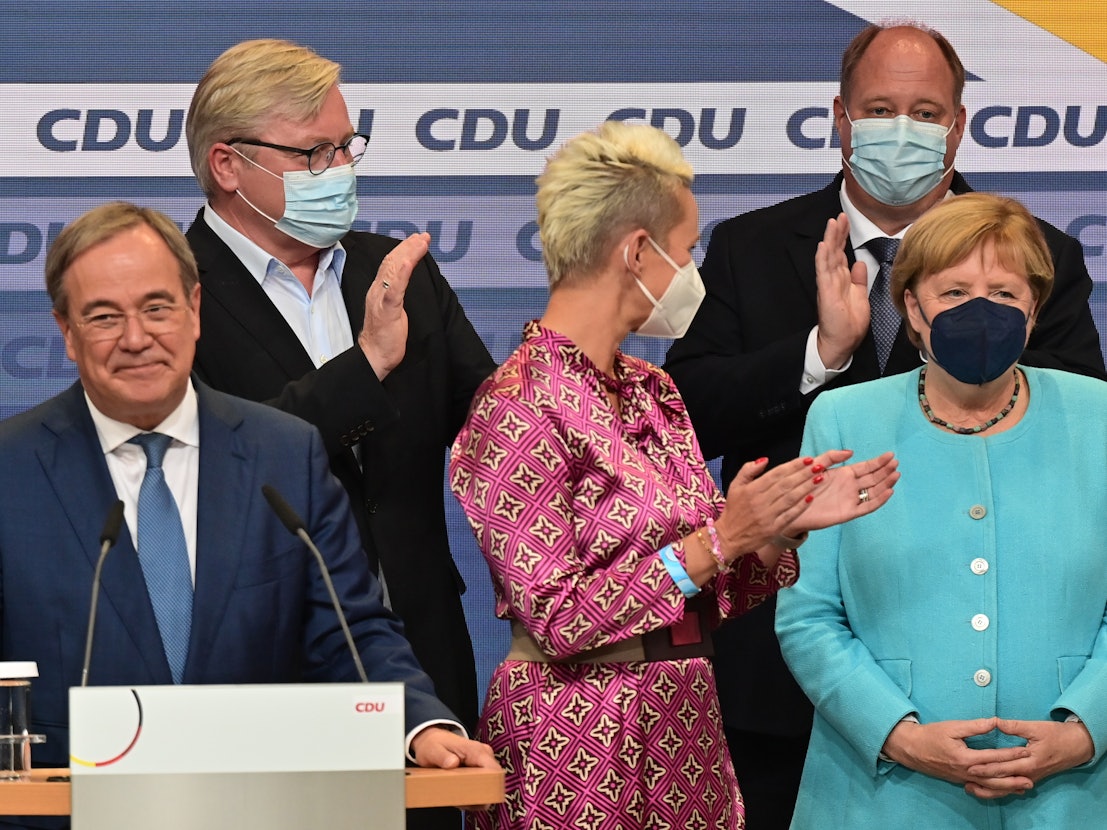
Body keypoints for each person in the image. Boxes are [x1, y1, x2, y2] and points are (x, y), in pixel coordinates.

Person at [664, 21, 1107, 828]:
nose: (900, 129)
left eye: (925, 112)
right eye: (878, 109)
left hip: (1021, 700)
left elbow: (1065, 430)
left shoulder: (1036, 252)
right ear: (840, 118)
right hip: (791, 670)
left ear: (957, 125)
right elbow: (685, 417)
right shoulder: (751, 246)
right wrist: (818, 355)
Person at [449, 121, 899, 829]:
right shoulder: (517, 402)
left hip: (684, 722)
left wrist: (774, 530)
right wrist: (723, 537)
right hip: (577, 737)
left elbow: (709, 590)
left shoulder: (653, 388)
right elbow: (559, 619)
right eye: (687, 252)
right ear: (636, 251)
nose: (693, 274)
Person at [0, 202, 497, 830]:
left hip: (258, 811)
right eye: (103, 317)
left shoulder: (282, 454)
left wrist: (418, 724)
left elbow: (350, 630)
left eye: (157, 308)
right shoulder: (11, 471)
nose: (136, 338)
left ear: (194, 309)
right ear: (66, 332)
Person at [184, 40, 495, 808]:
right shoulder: (172, 294)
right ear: (227, 165)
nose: (340, 169)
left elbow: (492, 423)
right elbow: (219, 460)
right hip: (271, 671)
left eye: (346, 146)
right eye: (313, 153)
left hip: (424, 655)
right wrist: (367, 365)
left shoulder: (397, 273)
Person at [776, 192, 1107, 828]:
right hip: (883, 797)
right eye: (954, 292)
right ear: (912, 308)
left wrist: (1085, 730)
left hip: (1074, 795)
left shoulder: (1098, 417)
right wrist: (899, 736)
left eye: (1004, 293)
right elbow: (809, 616)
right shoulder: (843, 419)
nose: (980, 310)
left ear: (1034, 309)